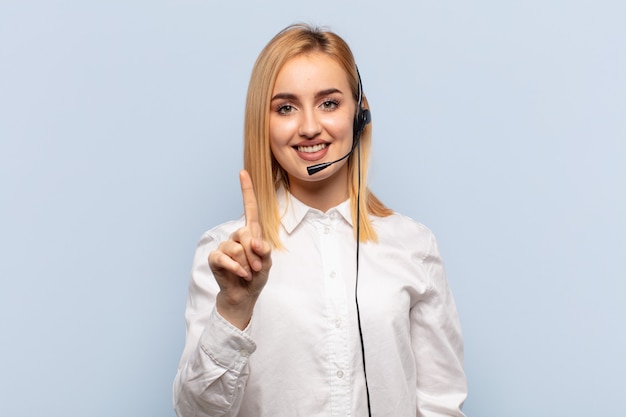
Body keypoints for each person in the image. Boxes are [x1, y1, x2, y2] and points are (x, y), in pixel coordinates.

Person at [173, 23, 467, 417]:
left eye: (329, 103)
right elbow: (196, 412)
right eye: (286, 108)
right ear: (264, 123)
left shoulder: (414, 245)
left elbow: (440, 404)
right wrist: (234, 307)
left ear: (359, 114)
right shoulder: (224, 254)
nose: (310, 127)